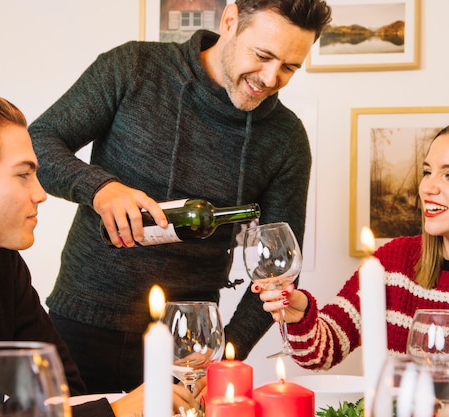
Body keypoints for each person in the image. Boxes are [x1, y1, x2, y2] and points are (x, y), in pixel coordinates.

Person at [28, 0, 332, 393]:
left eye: (290, 67)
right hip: (83, 323)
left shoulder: (285, 139)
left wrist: (224, 360)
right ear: (229, 20)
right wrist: (99, 188)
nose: (271, 77)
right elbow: (38, 143)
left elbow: (275, 276)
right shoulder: (133, 66)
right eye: (263, 55)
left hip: (189, 347)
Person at [0, 85, 197, 417]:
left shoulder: (2, 264)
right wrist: (115, 412)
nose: (40, 194)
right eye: (23, 175)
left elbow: (62, 389)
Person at [254, 120, 449, 407]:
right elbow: (321, 352)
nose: (427, 186)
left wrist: (446, 404)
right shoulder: (394, 261)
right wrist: (300, 314)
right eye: (427, 172)